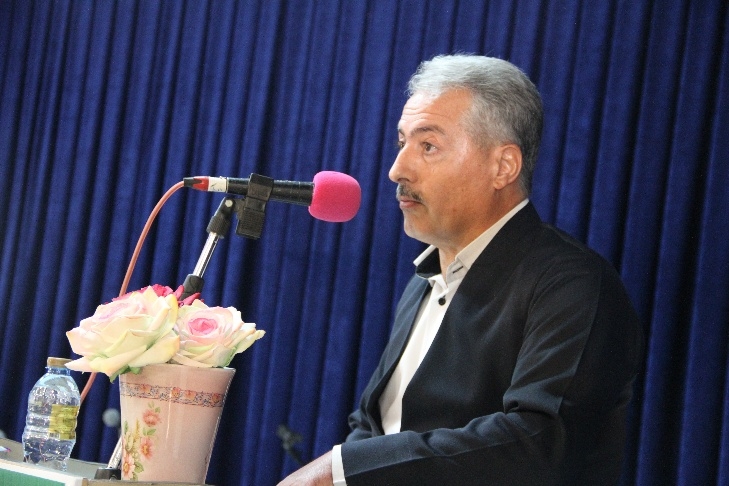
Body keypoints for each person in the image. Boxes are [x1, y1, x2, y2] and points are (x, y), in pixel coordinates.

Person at [278, 54, 643, 486]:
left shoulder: (572, 284)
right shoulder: (423, 282)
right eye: (401, 143)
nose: (397, 169)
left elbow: (539, 443)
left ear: (502, 167)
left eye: (428, 146)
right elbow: (375, 426)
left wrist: (342, 469)